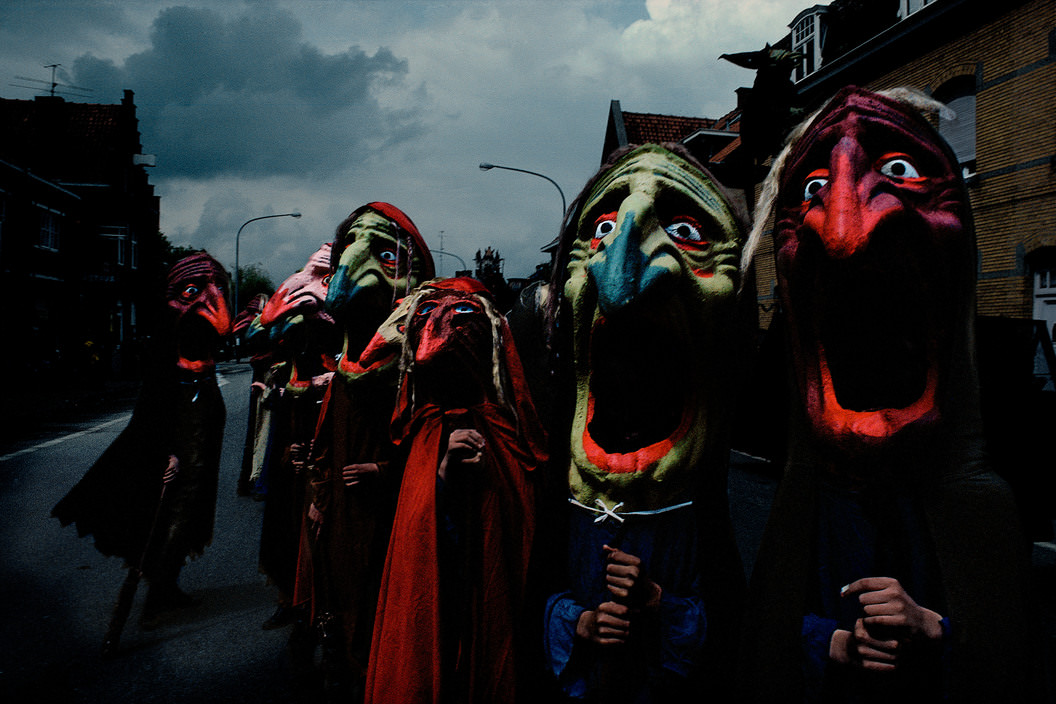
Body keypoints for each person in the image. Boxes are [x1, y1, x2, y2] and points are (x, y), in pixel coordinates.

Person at [735, 86, 1047, 702]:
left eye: (902, 171)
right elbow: (759, 640)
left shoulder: (986, 507)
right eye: (812, 188)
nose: (845, 224)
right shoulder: (793, 504)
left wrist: (935, 627)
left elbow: (1016, 660)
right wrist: (832, 641)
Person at [535, 143, 754, 701]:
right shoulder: (558, 492)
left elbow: (745, 625)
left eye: (686, 230)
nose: (619, 271)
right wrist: (578, 621)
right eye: (603, 226)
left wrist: (661, 604)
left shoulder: (729, 508)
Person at [365, 278, 547, 704]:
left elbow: (517, 529)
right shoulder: (422, 431)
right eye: (429, 316)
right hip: (441, 594)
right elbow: (415, 532)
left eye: (462, 315)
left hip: (486, 599)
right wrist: (443, 475)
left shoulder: (504, 433)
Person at [297, 203, 435, 696]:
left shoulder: (421, 364)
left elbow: (432, 446)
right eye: (353, 245)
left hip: (393, 517)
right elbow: (324, 440)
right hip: (341, 515)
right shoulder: (343, 370)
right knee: (340, 598)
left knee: (386, 605)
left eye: (386, 253)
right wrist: (318, 494)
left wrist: (385, 468)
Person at [53, 252, 232, 627]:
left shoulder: (199, 342)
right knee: (172, 512)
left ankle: (166, 584)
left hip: (202, 434)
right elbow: (155, 400)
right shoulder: (168, 341)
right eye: (194, 290)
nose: (212, 301)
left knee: (191, 511)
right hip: (178, 444)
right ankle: (156, 595)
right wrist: (167, 450)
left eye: (218, 289)